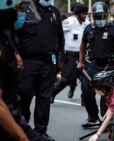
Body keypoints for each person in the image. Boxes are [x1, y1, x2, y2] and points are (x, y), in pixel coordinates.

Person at [16, 0, 65, 140]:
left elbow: (60, 37)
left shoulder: (54, 12)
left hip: (48, 63)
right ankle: (22, 128)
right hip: (27, 62)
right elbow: (13, 34)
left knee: (44, 98)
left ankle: (41, 132)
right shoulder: (24, 10)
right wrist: (15, 54)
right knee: (24, 95)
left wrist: (60, 58)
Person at [0, 0, 44, 140]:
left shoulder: (7, 37)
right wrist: (21, 136)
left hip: (14, 114)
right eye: (18, 8)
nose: (22, 12)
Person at [77, 1, 114, 128]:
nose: (100, 19)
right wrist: (81, 61)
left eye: (102, 16)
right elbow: (82, 46)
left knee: (106, 94)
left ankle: (106, 121)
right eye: (97, 16)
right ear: (93, 16)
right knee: (86, 90)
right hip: (93, 65)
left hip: (110, 66)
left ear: (107, 15)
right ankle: (92, 118)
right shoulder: (89, 29)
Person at [49, 3, 90, 104]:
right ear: (77, 14)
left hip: (83, 55)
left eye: (86, 13)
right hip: (70, 56)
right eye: (83, 14)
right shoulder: (68, 22)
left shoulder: (87, 23)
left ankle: (85, 98)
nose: (85, 15)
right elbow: (57, 33)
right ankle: (52, 93)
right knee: (66, 79)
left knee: (88, 77)